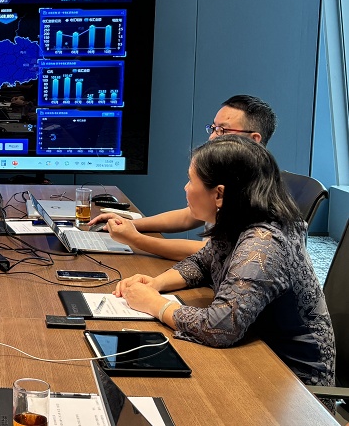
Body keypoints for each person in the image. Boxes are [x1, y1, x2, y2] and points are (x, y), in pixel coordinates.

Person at [114, 136, 334, 398]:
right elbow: (202, 262)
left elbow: (220, 327)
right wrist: (156, 284)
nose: (185, 188)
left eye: (191, 180)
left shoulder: (263, 245)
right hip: (256, 354)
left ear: (219, 194)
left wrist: (155, 304)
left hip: (294, 386)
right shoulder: (240, 218)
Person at [89, 94, 277, 259]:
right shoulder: (226, 174)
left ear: (254, 139)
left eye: (222, 130)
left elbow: (210, 254)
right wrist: (131, 224)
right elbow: (189, 216)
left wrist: (135, 239)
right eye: (213, 128)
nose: (212, 138)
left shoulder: (255, 190)